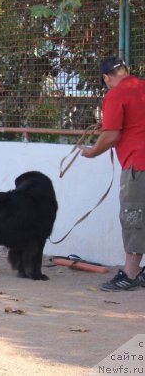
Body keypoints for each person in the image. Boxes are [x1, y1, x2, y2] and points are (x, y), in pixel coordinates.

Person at [79, 56, 145, 291]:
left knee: (133, 215)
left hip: (139, 163)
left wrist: (92, 152)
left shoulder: (116, 95)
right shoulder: (141, 87)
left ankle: (130, 273)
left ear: (106, 77)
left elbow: (111, 135)